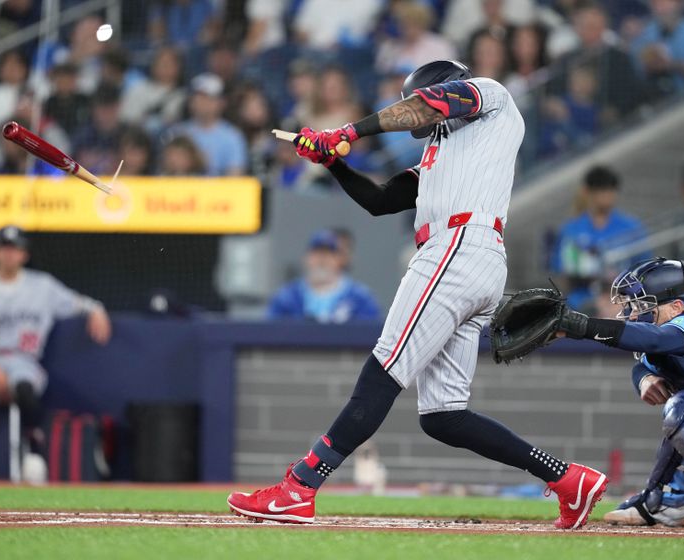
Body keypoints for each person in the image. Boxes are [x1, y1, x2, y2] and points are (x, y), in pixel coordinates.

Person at [228, 59, 608, 529]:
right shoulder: (446, 149)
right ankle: (567, 478)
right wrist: (333, 161)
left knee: (384, 368)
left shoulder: (489, 94)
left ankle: (299, 487)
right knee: (444, 416)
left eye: (419, 98)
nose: (415, 113)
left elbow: (427, 106)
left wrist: (348, 129)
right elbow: (381, 200)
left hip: (457, 248)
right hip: (471, 257)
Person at [0, 226, 111, 483]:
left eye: (14, 249)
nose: (9, 254)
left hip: (23, 360)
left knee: (25, 388)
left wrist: (96, 309)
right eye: (4, 248)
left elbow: (77, 303)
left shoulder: (42, 286)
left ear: (24, 254)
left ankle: (34, 459)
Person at [547, 258, 684, 527]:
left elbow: (655, 340)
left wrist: (581, 326)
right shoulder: (670, 327)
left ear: (677, 306)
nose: (633, 315)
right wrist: (645, 378)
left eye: (643, 306)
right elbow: (643, 364)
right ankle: (669, 501)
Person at [551, 166, 648, 313]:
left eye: (610, 190)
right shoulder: (572, 229)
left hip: (620, 303)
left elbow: (643, 268)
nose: (606, 196)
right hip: (580, 303)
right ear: (587, 192)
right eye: (601, 190)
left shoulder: (631, 228)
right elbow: (561, 271)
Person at [267, 230, 379, 323]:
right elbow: (270, 332)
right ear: (306, 258)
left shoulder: (360, 297)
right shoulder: (287, 297)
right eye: (317, 254)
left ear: (339, 260)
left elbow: (373, 334)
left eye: (328, 255)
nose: (322, 260)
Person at [174, 73, 247, 176]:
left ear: (221, 103)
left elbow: (235, 175)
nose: (202, 102)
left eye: (208, 98)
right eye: (198, 97)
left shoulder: (232, 136)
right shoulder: (178, 133)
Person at [631, 0, 684, 95]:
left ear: (678, 4)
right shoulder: (646, 35)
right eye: (656, 4)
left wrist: (671, 65)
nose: (662, 8)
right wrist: (649, 63)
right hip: (661, 98)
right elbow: (638, 70)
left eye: (666, 3)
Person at [375, 2, 457, 75]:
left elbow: (447, 75)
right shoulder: (390, 46)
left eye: (414, 23)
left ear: (423, 23)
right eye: (404, 24)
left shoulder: (441, 45)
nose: (409, 29)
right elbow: (381, 74)